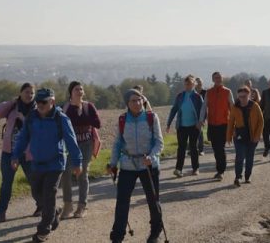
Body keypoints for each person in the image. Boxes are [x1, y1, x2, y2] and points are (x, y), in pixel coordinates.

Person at [11, 88, 83, 243]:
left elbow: (71, 141)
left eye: (43, 102)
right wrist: (15, 156)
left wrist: (77, 162)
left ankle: (43, 231)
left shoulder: (61, 119)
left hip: (55, 164)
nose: (40, 105)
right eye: (37, 102)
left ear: (52, 101)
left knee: (49, 195)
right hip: (37, 163)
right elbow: (23, 137)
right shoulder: (32, 117)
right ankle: (54, 214)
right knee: (37, 194)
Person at [108, 89, 164, 243]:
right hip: (128, 165)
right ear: (127, 103)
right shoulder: (122, 120)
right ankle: (117, 236)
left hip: (148, 165)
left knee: (153, 201)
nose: (137, 103)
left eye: (139, 99)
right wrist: (112, 163)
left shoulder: (152, 117)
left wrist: (152, 157)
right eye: (133, 100)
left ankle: (155, 233)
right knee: (122, 202)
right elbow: (118, 144)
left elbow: (159, 142)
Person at [0, 83, 40, 223]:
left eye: (32, 93)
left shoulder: (37, 110)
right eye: (26, 92)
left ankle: (42, 206)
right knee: (6, 183)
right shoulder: (12, 108)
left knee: (34, 182)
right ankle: (1, 213)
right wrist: (11, 102)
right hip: (9, 152)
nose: (29, 95)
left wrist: (22, 118)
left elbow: (37, 130)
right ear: (20, 92)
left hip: (28, 154)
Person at [60, 81, 101, 219]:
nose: (80, 91)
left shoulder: (89, 106)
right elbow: (60, 124)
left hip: (86, 144)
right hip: (70, 146)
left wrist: (81, 115)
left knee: (82, 175)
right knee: (65, 173)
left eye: (81, 89)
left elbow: (97, 123)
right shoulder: (64, 108)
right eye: (77, 89)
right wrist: (82, 119)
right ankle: (68, 205)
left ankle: (82, 206)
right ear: (71, 92)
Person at [167, 75, 203, 177]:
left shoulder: (197, 97)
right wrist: (169, 123)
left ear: (194, 84)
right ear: (184, 84)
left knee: (193, 147)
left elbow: (203, 111)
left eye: (190, 84)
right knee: (181, 148)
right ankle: (178, 169)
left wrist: (200, 122)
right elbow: (174, 109)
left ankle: (195, 168)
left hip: (194, 126)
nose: (188, 86)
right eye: (186, 84)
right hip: (182, 126)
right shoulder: (180, 96)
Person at [200, 72, 234, 181]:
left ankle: (221, 171)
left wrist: (235, 123)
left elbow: (232, 108)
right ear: (213, 79)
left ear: (222, 79)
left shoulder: (227, 92)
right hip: (212, 125)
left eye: (219, 77)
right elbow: (204, 107)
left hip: (224, 124)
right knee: (215, 148)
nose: (218, 79)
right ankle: (219, 168)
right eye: (216, 78)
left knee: (220, 147)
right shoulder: (209, 92)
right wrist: (201, 120)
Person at [227, 86, 264, 187]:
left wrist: (257, 136)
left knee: (249, 157)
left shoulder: (255, 106)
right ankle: (238, 177)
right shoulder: (235, 107)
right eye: (240, 96)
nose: (242, 98)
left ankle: (248, 176)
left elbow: (261, 121)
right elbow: (231, 122)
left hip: (252, 136)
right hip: (239, 136)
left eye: (244, 96)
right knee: (239, 156)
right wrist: (229, 136)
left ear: (248, 95)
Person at [195, 77, 207, 156]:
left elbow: (206, 106)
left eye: (200, 84)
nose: (199, 85)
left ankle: (201, 150)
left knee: (200, 132)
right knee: (192, 133)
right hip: (193, 115)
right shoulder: (192, 93)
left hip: (201, 115)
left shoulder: (205, 93)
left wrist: (204, 119)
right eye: (198, 83)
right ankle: (193, 149)